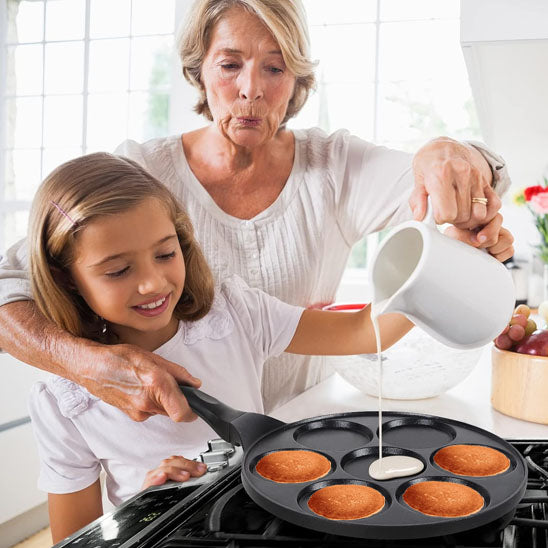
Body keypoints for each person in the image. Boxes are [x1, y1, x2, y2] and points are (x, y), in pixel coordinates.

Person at [0, 0, 514, 416]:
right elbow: (8, 284)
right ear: (199, 70)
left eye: (275, 67)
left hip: (299, 431)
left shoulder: (334, 166)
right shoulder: (140, 176)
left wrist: (454, 158)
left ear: (297, 82)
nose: (251, 88)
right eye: (229, 64)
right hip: (172, 449)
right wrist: (84, 363)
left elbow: (447, 186)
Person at [28, 152, 413, 542]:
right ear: (67, 279)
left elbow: (362, 331)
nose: (153, 283)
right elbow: (76, 538)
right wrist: (146, 507)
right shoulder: (63, 398)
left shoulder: (233, 314)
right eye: (118, 271)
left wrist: (441, 271)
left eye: (165, 253)